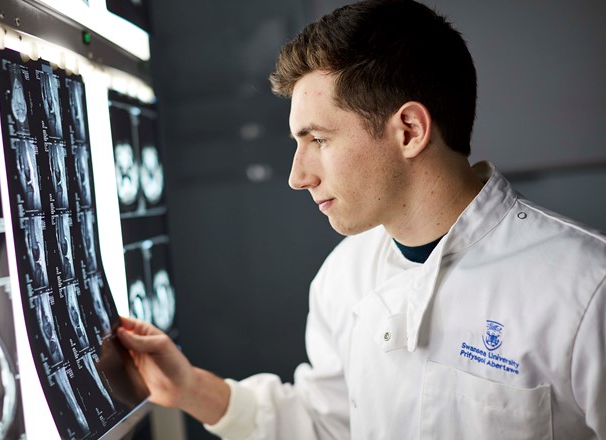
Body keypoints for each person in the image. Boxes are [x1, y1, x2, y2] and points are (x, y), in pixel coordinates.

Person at [117, 0, 606, 438]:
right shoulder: (344, 276)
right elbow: (325, 425)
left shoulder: (587, 290)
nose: (297, 176)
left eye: (319, 140)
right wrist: (188, 388)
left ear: (409, 131)